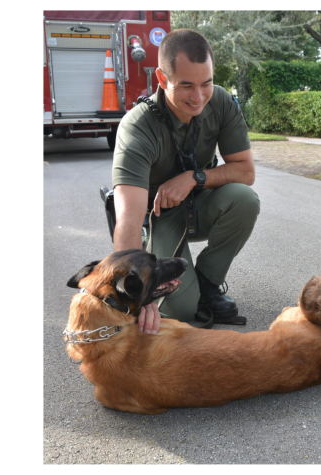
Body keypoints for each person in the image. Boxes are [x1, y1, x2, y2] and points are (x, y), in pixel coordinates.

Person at [111, 29, 259, 332]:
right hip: (158, 217)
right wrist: (141, 295)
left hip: (201, 202)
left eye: (207, 82)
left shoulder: (219, 102)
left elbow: (246, 172)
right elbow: (127, 218)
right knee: (179, 309)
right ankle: (180, 285)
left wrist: (194, 177)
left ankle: (206, 284)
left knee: (245, 200)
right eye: (187, 85)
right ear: (163, 80)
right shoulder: (137, 128)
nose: (199, 96)